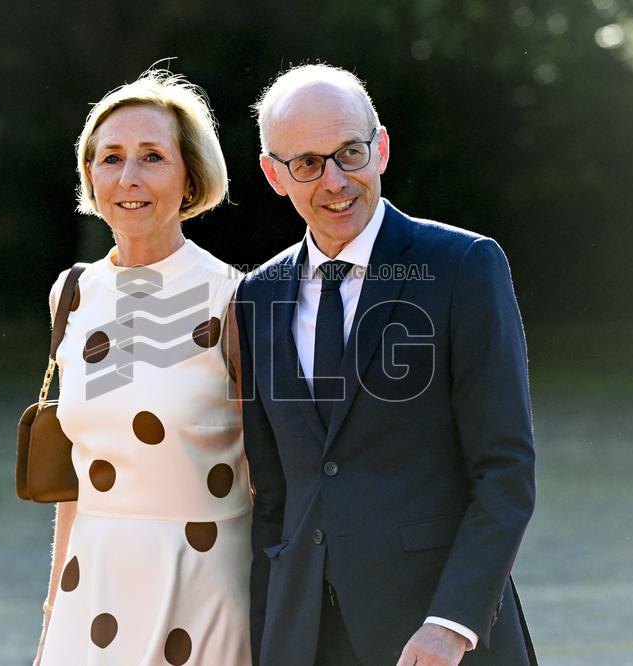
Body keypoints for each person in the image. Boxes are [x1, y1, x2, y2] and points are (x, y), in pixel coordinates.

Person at [235, 64, 538, 666]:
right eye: (308, 163)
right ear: (274, 175)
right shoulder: (256, 297)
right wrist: (271, 640)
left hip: (439, 637)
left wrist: (450, 625)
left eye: (350, 152)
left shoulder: (463, 267)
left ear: (382, 149)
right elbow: (274, 497)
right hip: (305, 639)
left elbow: (505, 471)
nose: (335, 181)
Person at [33, 70, 251, 666]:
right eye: (111, 158)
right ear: (91, 176)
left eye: (152, 156)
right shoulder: (72, 294)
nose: (129, 177)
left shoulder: (233, 298)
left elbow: (267, 475)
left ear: (190, 177)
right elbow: (76, 477)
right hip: (91, 585)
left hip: (202, 585)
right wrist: (52, 615)